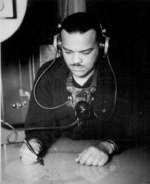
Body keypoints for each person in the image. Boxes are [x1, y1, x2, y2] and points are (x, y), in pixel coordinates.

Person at [20, 12, 132, 166]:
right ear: (58, 46)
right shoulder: (47, 75)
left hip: (114, 162)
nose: (75, 60)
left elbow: (135, 128)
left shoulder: (121, 75)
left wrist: (107, 146)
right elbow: (39, 127)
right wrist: (34, 142)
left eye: (85, 52)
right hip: (61, 160)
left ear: (102, 47)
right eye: (68, 51)